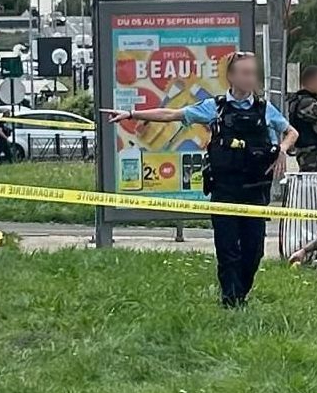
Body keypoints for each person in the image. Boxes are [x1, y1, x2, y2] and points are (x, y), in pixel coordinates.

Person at [102, 51, 298, 307]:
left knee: (253, 252)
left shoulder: (265, 109)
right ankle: (231, 303)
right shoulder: (214, 107)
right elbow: (171, 114)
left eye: (253, 73)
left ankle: (240, 295)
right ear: (231, 76)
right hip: (224, 190)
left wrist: (281, 149)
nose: (251, 78)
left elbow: (291, 132)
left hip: (254, 192)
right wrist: (132, 114)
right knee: (228, 251)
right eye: (245, 73)